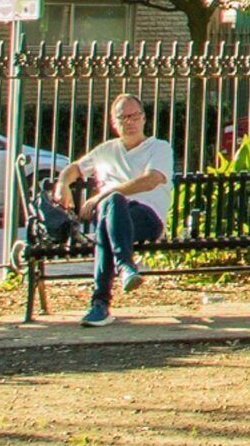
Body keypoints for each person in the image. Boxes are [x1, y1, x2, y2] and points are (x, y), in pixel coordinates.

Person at [54, 93, 173, 326]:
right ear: (114, 122)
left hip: (146, 216)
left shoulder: (159, 148)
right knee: (112, 210)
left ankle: (100, 304)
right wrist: (62, 184)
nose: (130, 122)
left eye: (134, 116)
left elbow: (151, 180)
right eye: (123, 118)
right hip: (110, 215)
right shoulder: (105, 151)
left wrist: (104, 194)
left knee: (110, 212)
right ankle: (125, 267)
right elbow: (75, 168)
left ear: (144, 118)